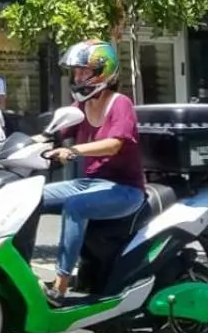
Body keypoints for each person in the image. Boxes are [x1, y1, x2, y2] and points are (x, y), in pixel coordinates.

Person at [41, 39, 144, 301]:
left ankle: (60, 285)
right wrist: (20, 147)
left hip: (125, 190)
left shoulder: (120, 103)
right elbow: (55, 133)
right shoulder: (81, 106)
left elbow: (113, 145)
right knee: (32, 198)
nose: (77, 77)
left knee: (76, 206)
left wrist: (74, 151)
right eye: (76, 72)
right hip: (90, 184)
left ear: (102, 72)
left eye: (83, 71)